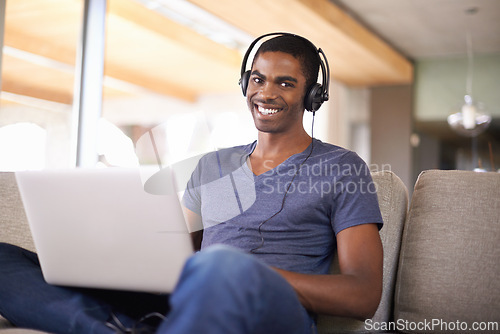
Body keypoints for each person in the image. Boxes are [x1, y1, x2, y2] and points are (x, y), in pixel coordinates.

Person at [0, 33, 383, 334]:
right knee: (5, 259)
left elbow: (363, 294)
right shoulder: (214, 164)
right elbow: (176, 258)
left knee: (218, 264)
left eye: (285, 83)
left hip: (274, 313)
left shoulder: (343, 168)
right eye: (257, 79)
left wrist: (243, 273)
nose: (266, 92)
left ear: (312, 96)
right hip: (192, 298)